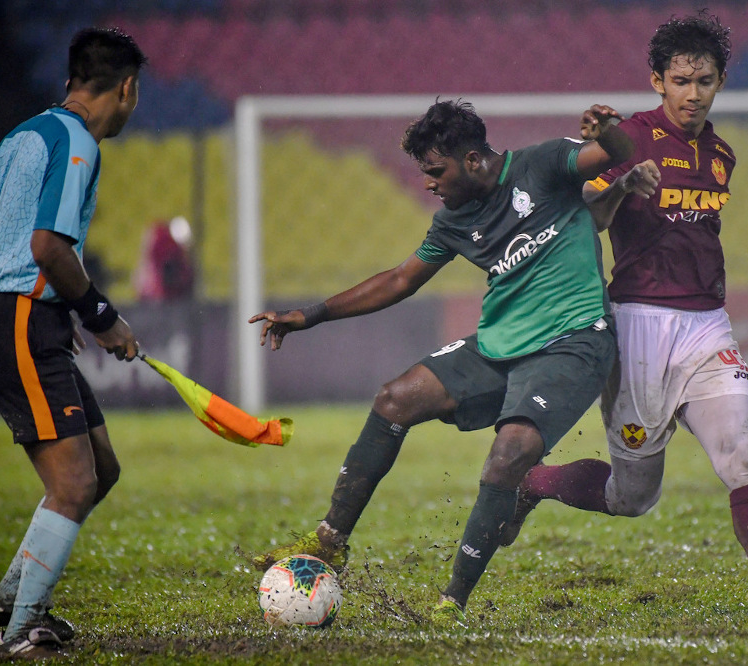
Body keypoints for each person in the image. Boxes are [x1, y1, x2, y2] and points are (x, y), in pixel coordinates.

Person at [248, 98, 634, 625]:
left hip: (574, 342)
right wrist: (310, 315)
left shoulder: (542, 165)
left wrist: (608, 132)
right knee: (395, 397)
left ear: (472, 160)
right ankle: (330, 539)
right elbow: (400, 279)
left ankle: (452, 601)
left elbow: (620, 153)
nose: (429, 183)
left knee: (510, 451)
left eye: (436, 171)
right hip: (501, 344)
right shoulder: (453, 220)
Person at [500, 12, 748, 620]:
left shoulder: (722, 154)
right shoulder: (629, 140)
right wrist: (621, 184)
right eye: (680, 80)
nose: (692, 93)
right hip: (638, 327)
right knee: (631, 498)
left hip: (706, 327)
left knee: (740, 452)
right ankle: (531, 484)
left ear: (720, 82)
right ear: (657, 81)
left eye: (704, 81)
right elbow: (587, 220)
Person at [0, 27, 147, 659]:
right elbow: (47, 247)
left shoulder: (22, 136)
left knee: (101, 469)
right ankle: (21, 631)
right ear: (127, 88)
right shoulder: (80, 144)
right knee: (73, 486)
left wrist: (36, 298)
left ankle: (10, 595)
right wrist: (99, 315)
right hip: (22, 325)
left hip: (22, 320)